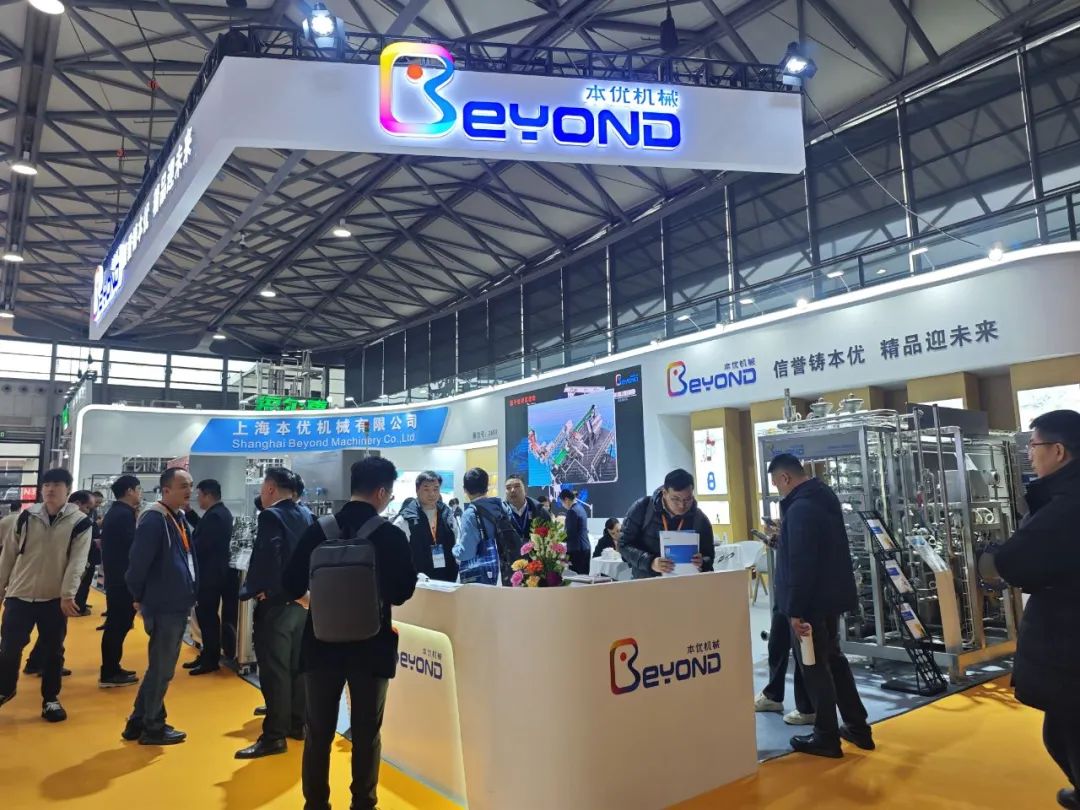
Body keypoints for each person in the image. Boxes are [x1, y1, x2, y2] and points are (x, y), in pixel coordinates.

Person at [284, 456, 417, 810]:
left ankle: (316, 803)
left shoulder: (318, 530)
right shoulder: (389, 535)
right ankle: (363, 802)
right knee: (366, 733)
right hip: (371, 648)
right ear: (381, 492)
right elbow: (402, 592)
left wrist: (316, 604)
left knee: (318, 733)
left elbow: (289, 583)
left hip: (320, 646)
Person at [992, 410, 1080, 809]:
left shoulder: (1066, 504)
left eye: (1033, 445)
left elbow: (1014, 561)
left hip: (1068, 638)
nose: (1029, 454)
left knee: (1067, 733)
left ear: (1058, 450)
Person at [768, 453, 871, 758]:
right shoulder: (823, 497)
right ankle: (857, 727)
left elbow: (802, 563)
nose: (778, 490)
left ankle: (825, 735)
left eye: (777, 484)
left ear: (785, 477)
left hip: (810, 604)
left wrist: (795, 610)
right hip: (829, 597)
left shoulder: (800, 508)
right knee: (834, 661)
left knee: (815, 668)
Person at [0, 468, 93, 723]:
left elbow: (77, 562)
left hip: (54, 599)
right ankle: (5, 688)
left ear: (68, 489)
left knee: (53, 652)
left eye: (57, 484)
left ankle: (50, 699)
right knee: (8, 648)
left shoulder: (80, 523)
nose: (51, 489)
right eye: (47, 484)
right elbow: (8, 555)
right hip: (19, 594)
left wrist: (68, 595)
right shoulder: (26, 517)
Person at [236, 466, 314, 759]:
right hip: (303, 603)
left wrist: (263, 589)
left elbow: (269, 558)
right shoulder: (306, 514)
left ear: (269, 489)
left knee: (274, 671)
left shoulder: (271, 516)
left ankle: (274, 736)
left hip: (279, 604)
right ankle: (297, 723)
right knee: (297, 667)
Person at [123, 468, 197, 746]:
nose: (189, 490)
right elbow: (137, 564)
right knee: (162, 669)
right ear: (166, 490)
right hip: (164, 604)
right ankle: (153, 726)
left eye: (190, 485)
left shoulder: (177, 517)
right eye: (183, 486)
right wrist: (139, 596)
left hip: (175, 601)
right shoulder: (155, 520)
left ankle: (137, 721)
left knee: (159, 666)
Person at [754, 515, 815, 724]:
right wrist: (780, 538)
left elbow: (806, 549)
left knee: (802, 649)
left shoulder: (805, 506)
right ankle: (772, 695)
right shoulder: (792, 506)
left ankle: (808, 708)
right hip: (785, 587)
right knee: (777, 642)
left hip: (799, 590)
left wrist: (785, 538)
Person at [619, 469, 714, 578]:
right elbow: (623, 545)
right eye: (675, 499)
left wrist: (703, 562)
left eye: (688, 499)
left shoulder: (700, 518)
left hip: (686, 583)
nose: (682, 505)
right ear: (664, 493)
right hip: (647, 582)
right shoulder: (642, 508)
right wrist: (650, 562)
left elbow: (709, 556)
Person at [184, 479, 234, 676]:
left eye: (199, 495)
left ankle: (210, 659)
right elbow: (202, 530)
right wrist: (189, 513)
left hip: (210, 575)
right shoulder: (217, 513)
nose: (197, 499)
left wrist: (184, 545)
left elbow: (203, 544)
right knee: (206, 617)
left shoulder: (216, 516)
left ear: (207, 495)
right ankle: (207, 654)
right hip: (213, 573)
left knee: (208, 618)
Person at [99, 475, 142, 688]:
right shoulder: (123, 515)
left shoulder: (116, 513)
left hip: (116, 577)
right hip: (122, 579)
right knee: (118, 625)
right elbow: (132, 547)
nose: (140, 493)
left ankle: (112, 667)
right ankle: (110, 672)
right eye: (138, 489)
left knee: (118, 625)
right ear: (129, 491)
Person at [393, 471, 458, 583]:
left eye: (435, 489)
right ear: (417, 490)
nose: (432, 494)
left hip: (447, 580)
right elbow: (396, 553)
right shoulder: (407, 518)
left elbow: (456, 540)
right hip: (419, 581)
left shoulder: (447, 514)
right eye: (426, 489)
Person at [452, 468, 506, 586]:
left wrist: (455, 548)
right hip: (504, 573)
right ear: (487, 487)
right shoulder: (501, 507)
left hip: (482, 578)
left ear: (465, 489)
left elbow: (467, 553)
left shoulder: (470, 514)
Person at [503, 475, 551, 545]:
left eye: (517, 486)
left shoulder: (540, 512)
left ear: (525, 490)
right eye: (508, 488)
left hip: (535, 551)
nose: (512, 490)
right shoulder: (500, 513)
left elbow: (550, 539)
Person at [559, 488, 591, 574]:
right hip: (585, 548)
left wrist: (557, 539)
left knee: (575, 577)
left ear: (566, 499)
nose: (562, 505)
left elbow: (570, 533)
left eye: (562, 502)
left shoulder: (572, 511)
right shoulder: (581, 508)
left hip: (576, 550)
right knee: (584, 576)